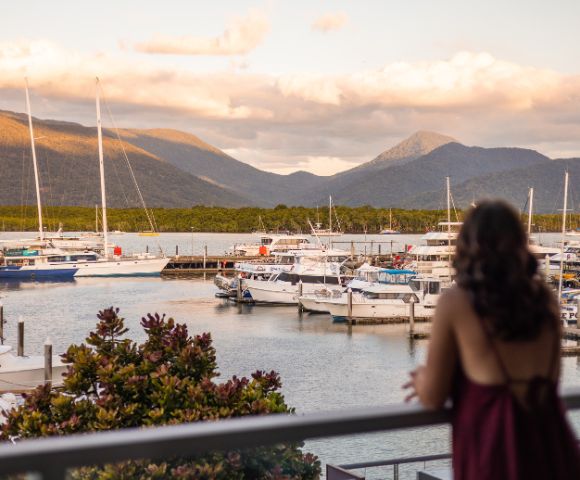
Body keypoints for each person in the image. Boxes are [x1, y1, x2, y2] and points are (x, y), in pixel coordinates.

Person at [403, 200, 580, 479]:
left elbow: (434, 396)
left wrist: (421, 379)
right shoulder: (545, 300)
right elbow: (551, 380)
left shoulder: (455, 303)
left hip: (496, 451)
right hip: (552, 443)